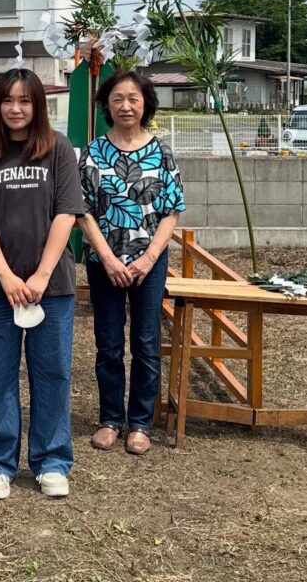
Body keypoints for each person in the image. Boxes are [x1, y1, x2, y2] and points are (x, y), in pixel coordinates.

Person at [0, 69, 86, 500]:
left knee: (52, 372)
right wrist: (9, 277)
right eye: (8, 101)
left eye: (25, 101)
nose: (16, 109)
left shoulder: (58, 150)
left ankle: (52, 459)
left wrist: (40, 276)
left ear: (38, 106)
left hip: (52, 287)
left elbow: (66, 214)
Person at [78, 69, 185, 456]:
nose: (125, 105)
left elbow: (171, 211)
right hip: (103, 262)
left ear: (145, 104)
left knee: (146, 341)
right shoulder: (93, 152)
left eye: (133, 98)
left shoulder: (162, 152)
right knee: (107, 344)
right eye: (118, 98)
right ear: (107, 104)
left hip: (149, 263)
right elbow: (82, 211)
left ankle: (139, 423)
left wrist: (149, 258)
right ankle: (109, 418)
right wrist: (107, 258)